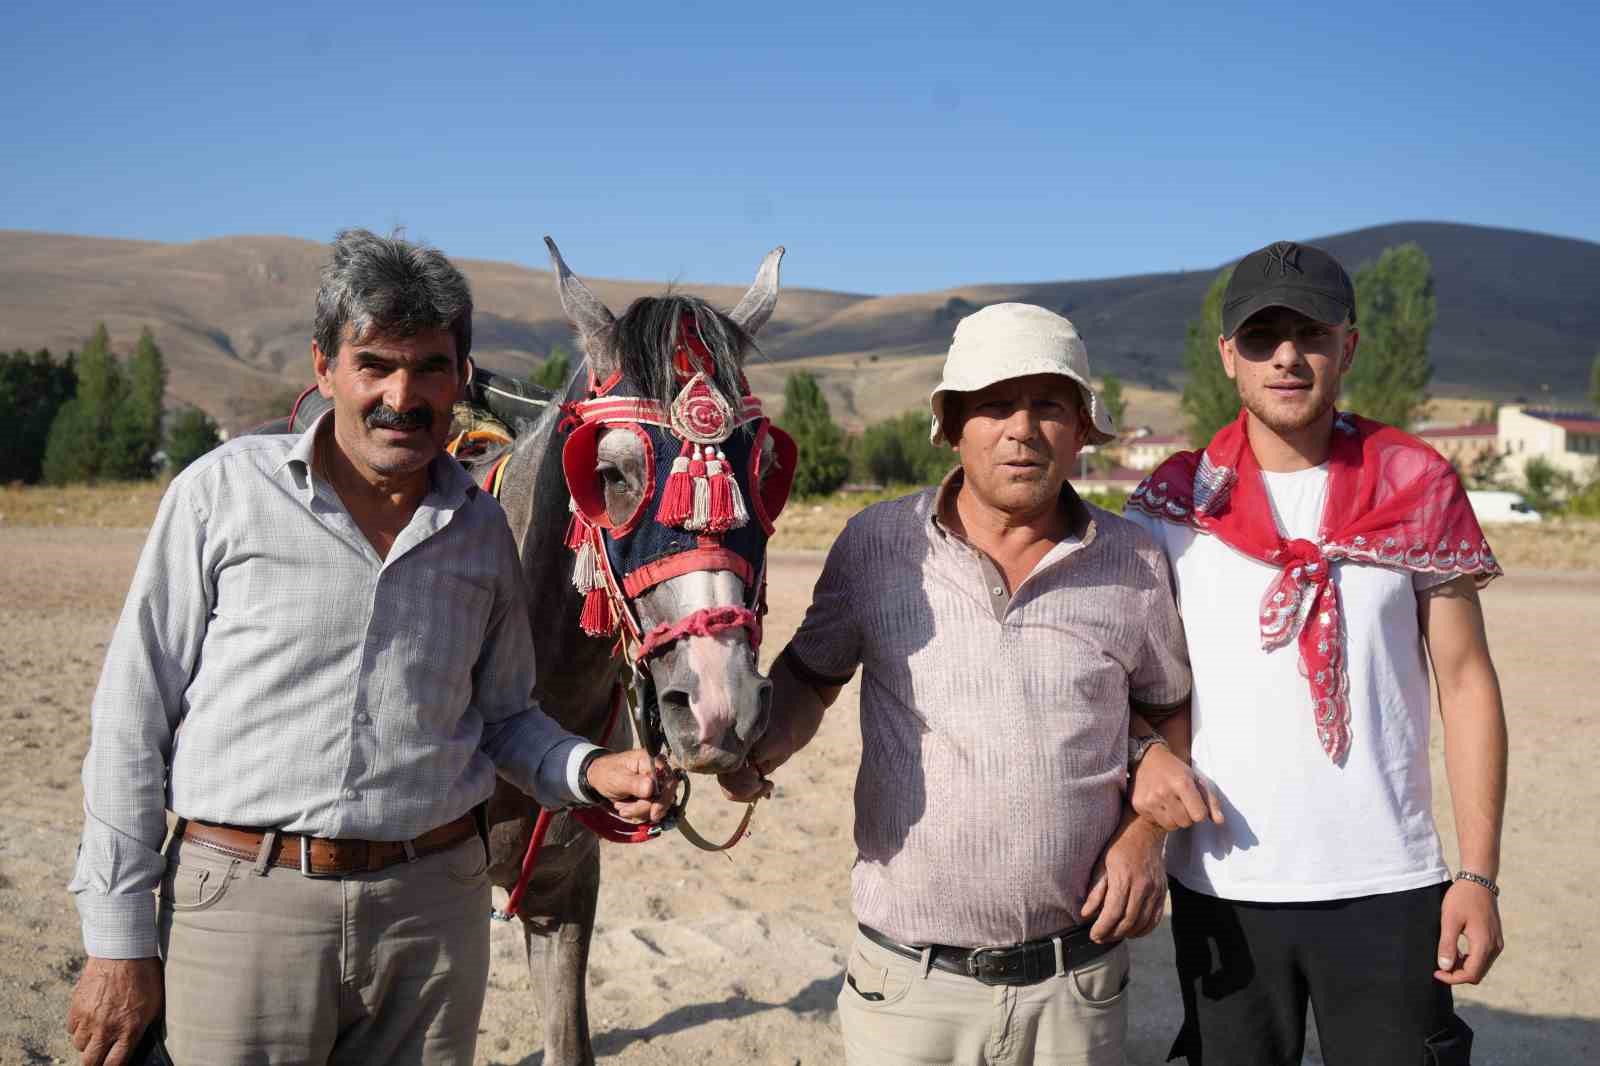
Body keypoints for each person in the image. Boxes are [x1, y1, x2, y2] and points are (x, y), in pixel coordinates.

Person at [65, 229, 675, 1066]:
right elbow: (132, 723)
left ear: (462, 379)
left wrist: (588, 770)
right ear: (325, 368)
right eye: (375, 365)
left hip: (430, 920)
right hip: (246, 903)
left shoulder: (480, 531)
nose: (403, 394)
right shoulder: (220, 497)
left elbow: (503, 719)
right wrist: (118, 940)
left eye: (430, 367)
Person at [723, 303, 1192, 1066]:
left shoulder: (1133, 563)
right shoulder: (878, 543)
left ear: (1081, 427)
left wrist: (1147, 836)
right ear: (953, 425)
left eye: (1048, 405)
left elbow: (1166, 713)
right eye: (995, 405)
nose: (1021, 428)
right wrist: (759, 749)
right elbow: (811, 677)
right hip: (910, 987)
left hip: (1075, 985)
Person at [1125, 240, 1506, 1065]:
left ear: (1349, 346)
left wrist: (1476, 877)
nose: (1287, 356)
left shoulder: (1417, 484)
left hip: (1389, 887)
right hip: (1222, 888)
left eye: (1311, 333)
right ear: (1229, 356)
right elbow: (1132, 687)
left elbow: (1468, 685)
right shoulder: (1171, 504)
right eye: (1262, 337)